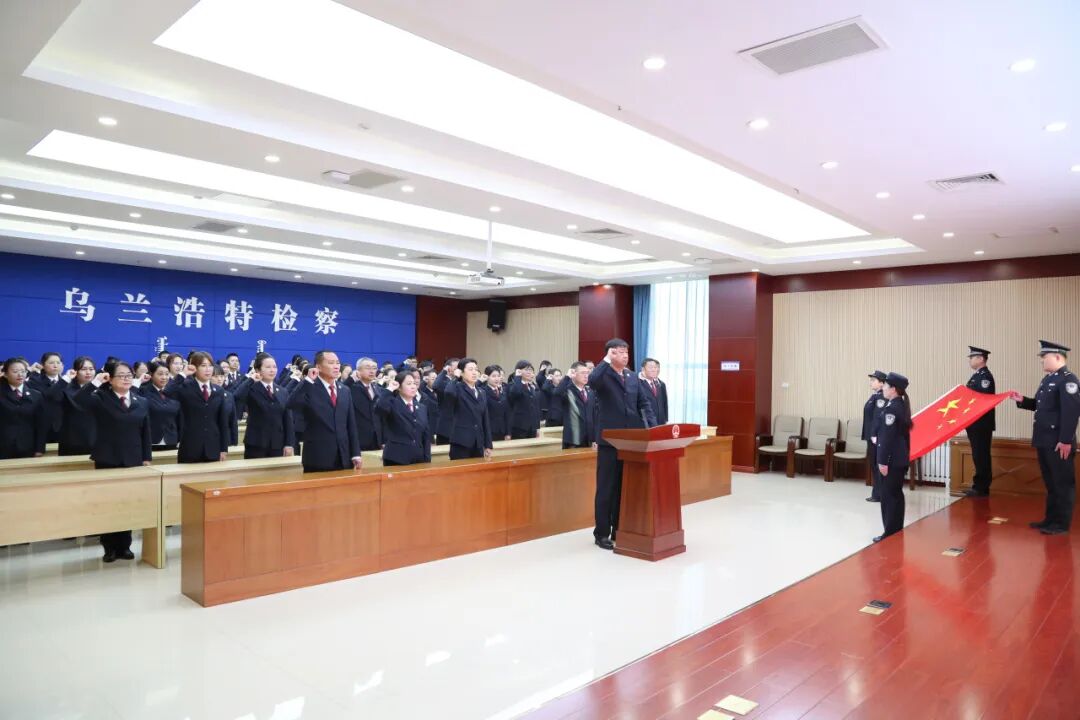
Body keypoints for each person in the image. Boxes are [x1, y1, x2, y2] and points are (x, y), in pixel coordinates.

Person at [75, 362, 152, 562]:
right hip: (107, 458)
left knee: (127, 503)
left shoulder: (141, 400)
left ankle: (125, 546)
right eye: (121, 375)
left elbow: (145, 431)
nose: (126, 379)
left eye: (129, 375)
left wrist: (146, 457)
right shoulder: (101, 398)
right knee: (108, 504)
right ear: (110, 379)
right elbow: (79, 401)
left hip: (133, 459)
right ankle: (109, 547)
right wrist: (96, 382)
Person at [590, 339, 656, 550]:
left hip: (630, 440)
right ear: (610, 353)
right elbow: (592, 380)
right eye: (620, 352)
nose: (625, 355)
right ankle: (601, 533)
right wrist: (606, 360)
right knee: (606, 488)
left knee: (622, 487)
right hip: (609, 441)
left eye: (626, 352)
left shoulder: (632, 376)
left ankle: (618, 528)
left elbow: (643, 403)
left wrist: (653, 428)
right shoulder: (603, 375)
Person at [1008, 340, 1080, 535]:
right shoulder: (1048, 380)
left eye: (1044, 357)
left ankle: (1060, 524)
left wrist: (1065, 440)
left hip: (1058, 442)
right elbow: (1042, 407)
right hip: (1045, 440)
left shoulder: (1068, 380)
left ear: (1057, 357)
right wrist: (1023, 400)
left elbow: (1072, 412)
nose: (1041, 360)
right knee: (1051, 483)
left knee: (1062, 484)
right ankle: (1050, 520)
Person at [285, 351, 362, 472]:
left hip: (344, 457)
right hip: (318, 457)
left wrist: (355, 453)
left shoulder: (345, 390)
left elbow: (351, 424)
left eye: (337, 363)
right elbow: (291, 404)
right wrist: (307, 380)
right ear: (318, 367)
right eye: (331, 363)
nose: (336, 366)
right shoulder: (309, 387)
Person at [163, 352, 230, 464]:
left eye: (210, 365)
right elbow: (167, 392)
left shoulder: (218, 391)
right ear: (194, 367)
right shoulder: (185, 387)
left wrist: (223, 448)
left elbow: (222, 421)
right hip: (190, 447)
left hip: (213, 448)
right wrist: (183, 374)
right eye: (203, 366)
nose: (208, 369)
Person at [231, 353, 295, 459]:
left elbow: (288, 419)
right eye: (268, 367)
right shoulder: (251, 388)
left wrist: (289, 443)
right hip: (256, 443)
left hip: (277, 444)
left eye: (274, 367)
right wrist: (251, 380)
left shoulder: (282, 391)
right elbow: (237, 397)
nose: (272, 370)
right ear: (258, 370)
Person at [874, 372, 913, 543]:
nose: (883, 388)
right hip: (899, 459)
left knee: (889, 496)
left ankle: (889, 532)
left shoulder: (892, 409)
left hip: (891, 461)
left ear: (894, 389)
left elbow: (887, 439)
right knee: (896, 495)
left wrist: (883, 461)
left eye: (886, 386)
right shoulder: (899, 405)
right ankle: (895, 529)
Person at [435, 358, 494, 460]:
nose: (474, 372)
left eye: (476, 369)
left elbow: (485, 419)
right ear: (461, 373)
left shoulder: (482, 392)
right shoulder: (457, 388)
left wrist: (488, 444)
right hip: (461, 442)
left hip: (478, 443)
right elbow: (448, 393)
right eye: (470, 369)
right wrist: (456, 377)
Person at [375, 371, 431, 465]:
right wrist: (389, 389)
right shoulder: (392, 403)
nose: (413, 386)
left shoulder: (421, 407)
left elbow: (425, 435)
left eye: (414, 383)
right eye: (409, 384)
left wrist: (427, 459)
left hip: (418, 459)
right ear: (399, 387)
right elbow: (380, 408)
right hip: (396, 458)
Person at [963, 346, 996, 497]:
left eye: (972, 357)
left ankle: (982, 488)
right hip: (974, 423)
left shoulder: (985, 377)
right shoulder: (976, 376)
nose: (970, 360)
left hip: (981, 424)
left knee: (981, 455)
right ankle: (979, 486)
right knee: (978, 455)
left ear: (981, 358)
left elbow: (982, 400)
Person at [0, 357, 48, 459]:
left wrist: (40, 448)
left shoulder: (36, 395)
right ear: (5, 374)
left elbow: (41, 424)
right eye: (15, 371)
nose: (20, 374)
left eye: (23, 371)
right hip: (3, 446)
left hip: (27, 446)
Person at [55, 356, 98, 456]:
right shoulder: (67, 388)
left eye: (91, 369)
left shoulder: (101, 389)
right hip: (72, 438)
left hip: (95, 438)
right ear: (76, 371)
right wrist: (67, 378)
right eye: (84, 369)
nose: (88, 372)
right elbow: (51, 396)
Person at [344, 357, 386, 451]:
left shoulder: (378, 389)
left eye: (374, 368)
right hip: (358, 440)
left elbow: (382, 417)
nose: (372, 371)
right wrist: (351, 379)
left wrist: (384, 439)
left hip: (377, 440)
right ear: (358, 370)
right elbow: (339, 391)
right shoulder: (351, 388)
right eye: (368, 368)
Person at [139, 360, 182, 451]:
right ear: (151, 374)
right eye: (160, 374)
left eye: (167, 374)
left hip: (171, 439)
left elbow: (179, 418)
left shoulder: (174, 392)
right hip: (151, 439)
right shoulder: (143, 391)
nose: (164, 377)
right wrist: (139, 381)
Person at [558, 362, 597, 449]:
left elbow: (594, 416)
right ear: (574, 374)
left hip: (589, 439)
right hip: (573, 440)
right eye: (583, 373)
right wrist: (567, 376)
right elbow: (557, 394)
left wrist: (594, 439)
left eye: (587, 373)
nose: (586, 376)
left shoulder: (590, 392)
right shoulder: (568, 390)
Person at [27, 351, 64, 443]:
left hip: (62, 426)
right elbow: (47, 396)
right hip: (41, 426)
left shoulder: (68, 383)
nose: (55, 365)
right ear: (43, 365)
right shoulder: (34, 381)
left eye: (58, 362)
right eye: (51, 363)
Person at [863, 370, 888, 502]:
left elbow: (878, 418)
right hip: (871, 436)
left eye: (873, 380)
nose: (871, 382)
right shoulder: (875, 396)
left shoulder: (881, 397)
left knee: (877, 465)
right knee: (874, 465)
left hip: (876, 438)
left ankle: (879, 494)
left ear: (882, 383)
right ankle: (878, 493)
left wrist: (874, 435)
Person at [508, 362, 542, 439]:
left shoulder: (532, 387)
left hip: (532, 427)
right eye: (526, 370)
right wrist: (517, 377)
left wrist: (537, 427)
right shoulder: (512, 385)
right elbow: (517, 392)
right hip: (519, 427)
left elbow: (536, 408)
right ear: (519, 371)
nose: (529, 372)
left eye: (531, 370)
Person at [433, 357, 460, 445]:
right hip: (445, 426)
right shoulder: (444, 381)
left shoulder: (460, 382)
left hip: (458, 425)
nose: (458, 370)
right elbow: (436, 386)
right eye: (456, 368)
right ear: (449, 368)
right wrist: (444, 371)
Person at [482, 365, 512, 441]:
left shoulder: (503, 392)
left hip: (502, 431)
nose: (497, 379)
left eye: (498, 376)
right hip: (489, 431)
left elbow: (507, 413)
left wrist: (508, 432)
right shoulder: (482, 391)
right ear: (487, 377)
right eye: (493, 376)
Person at [639, 358, 668, 426]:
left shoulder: (658, 384)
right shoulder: (638, 383)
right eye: (650, 367)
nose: (654, 370)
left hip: (660, 422)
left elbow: (664, 403)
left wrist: (665, 419)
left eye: (655, 367)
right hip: (646, 423)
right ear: (643, 369)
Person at [420, 367, 440, 439]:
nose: (435, 381)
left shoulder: (440, 391)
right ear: (426, 380)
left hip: (440, 427)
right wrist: (423, 381)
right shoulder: (423, 392)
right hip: (430, 427)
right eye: (433, 379)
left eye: (437, 379)